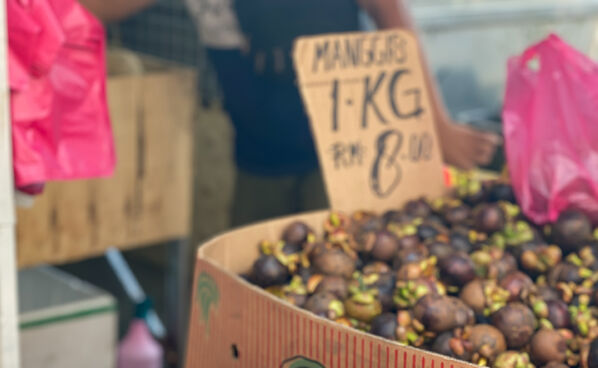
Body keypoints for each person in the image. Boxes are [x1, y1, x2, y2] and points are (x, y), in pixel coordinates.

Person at [83, 0, 499, 225]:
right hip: (257, 154)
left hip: (343, 153)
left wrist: (437, 127)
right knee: (253, 282)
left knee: (341, 269)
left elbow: (389, 11)